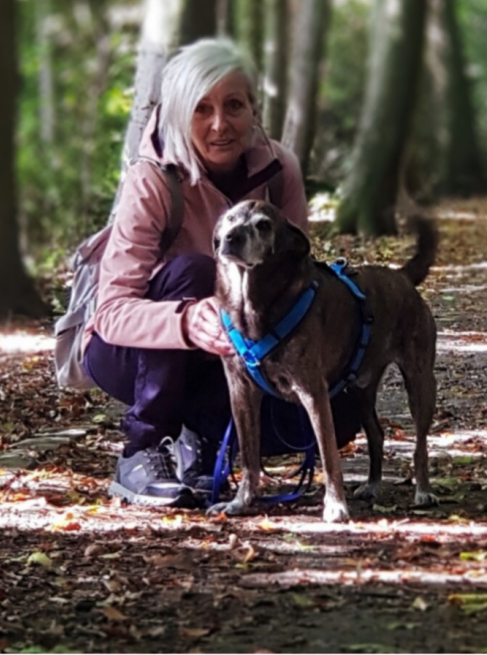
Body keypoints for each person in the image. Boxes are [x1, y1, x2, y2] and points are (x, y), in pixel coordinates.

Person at [82, 38, 360, 507]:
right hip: (132, 353)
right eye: (201, 109)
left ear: (254, 108)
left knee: (342, 409)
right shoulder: (152, 179)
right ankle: (143, 448)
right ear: (178, 114)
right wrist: (188, 323)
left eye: (234, 105)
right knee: (196, 272)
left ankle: (206, 439)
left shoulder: (278, 170)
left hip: (239, 348)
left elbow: (298, 278)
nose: (219, 125)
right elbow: (110, 312)